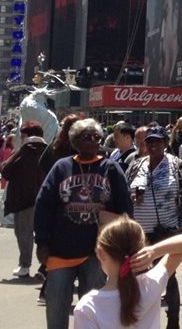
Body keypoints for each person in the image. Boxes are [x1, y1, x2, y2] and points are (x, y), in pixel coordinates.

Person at [34, 118, 135, 329]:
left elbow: (125, 208)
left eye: (96, 137)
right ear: (76, 141)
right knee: (56, 307)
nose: (92, 141)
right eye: (87, 137)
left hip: (97, 253)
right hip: (60, 252)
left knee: (93, 312)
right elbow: (44, 205)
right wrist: (42, 242)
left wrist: (123, 244)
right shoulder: (62, 167)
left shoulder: (110, 168)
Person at [126, 126, 182, 329]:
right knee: (139, 278)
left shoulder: (177, 165)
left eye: (158, 141)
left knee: (168, 276)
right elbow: (124, 194)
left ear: (166, 143)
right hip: (140, 234)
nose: (154, 145)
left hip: (168, 232)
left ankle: (173, 321)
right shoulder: (135, 166)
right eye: (150, 141)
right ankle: (142, 321)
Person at [73, 216, 182, 329]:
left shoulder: (88, 307)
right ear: (140, 249)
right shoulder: (151, 284)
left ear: (100, 253)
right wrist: (154, 251)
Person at [1, 121, 48, 278]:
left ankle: (25, 265)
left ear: (27, 135)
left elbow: (6, 171)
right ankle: (45, 266)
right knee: (44, 234)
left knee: (24, 233)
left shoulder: (24, 151)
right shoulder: (47, 151)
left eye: (22, 135)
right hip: (44, 199)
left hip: (24, 199)